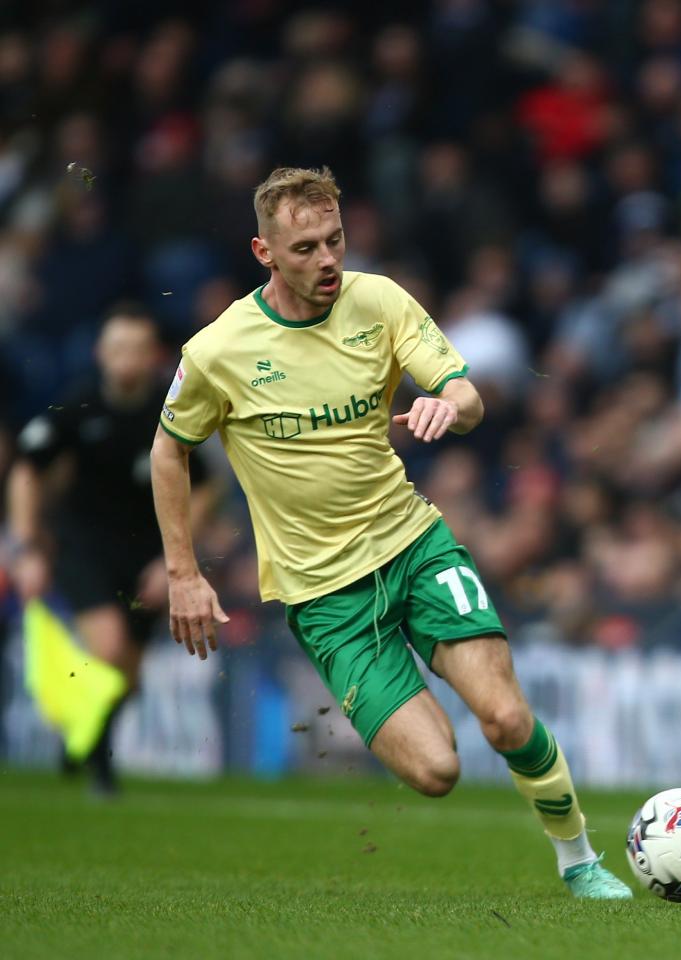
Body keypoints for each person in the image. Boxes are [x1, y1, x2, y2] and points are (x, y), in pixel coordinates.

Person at [150, 166, 631, 899]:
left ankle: (580, 860)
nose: (327, 260)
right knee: (437, 772)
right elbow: (168, 448)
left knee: (504, 717)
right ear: (264, 253)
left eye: (335, 239)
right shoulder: (218, 351)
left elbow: (466, 393)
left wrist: (450, 405)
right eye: (305, 247)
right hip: (324, 597)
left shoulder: (379, 302)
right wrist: (184, 572)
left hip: (413, 547)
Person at [7, 303, 215, 793]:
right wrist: (26, 546)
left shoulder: (168, 413)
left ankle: (84, 741)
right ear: (101, 352)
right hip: (83, 547)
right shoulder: (78, 405)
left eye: (138, 348)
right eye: (118, 347)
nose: (127, 358)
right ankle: (98, 762)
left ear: (153, 355)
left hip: (148, 553)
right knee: (109, 646)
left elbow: (204, 486)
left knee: (129, 677)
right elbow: (26, 469)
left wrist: (176, 556)